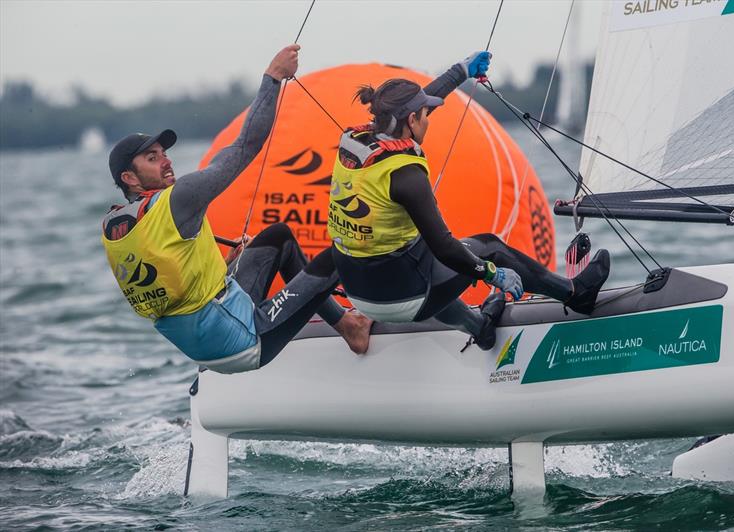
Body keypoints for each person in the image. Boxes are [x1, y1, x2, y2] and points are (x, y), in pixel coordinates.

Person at [102, 45, 372, 374]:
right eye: (152, 158)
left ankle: (346, 325)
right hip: (245, 342)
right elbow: (246, 145)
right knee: (345, 248)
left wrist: (228, 266)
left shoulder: (118, 224)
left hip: (206, 346)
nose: (167, 161)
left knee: (278, 238)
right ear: (130, 177)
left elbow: (176, 283)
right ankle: (380, 309)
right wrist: (272, 78)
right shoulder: (179, 198)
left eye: (163, 152)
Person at [327, 51, 610, 350]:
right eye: (424, 114)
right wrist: (493, 274)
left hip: (360, 294)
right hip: (403, 300)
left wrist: (460, 71)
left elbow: (417, 104)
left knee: (423, 256)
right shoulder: (406, 174)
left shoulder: (354, 141)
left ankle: (481, 329)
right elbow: (446, 249)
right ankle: (576, 293)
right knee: (489, 247)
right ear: (412, 119)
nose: (428, 118)